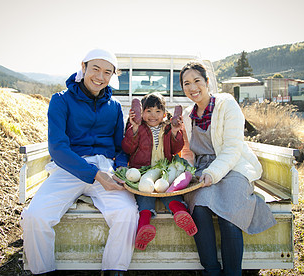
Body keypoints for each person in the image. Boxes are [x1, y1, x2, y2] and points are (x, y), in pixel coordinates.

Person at [20, 49, 139, 276]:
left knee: (126, 212)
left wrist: (121, 166)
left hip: (105, 168)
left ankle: (114, 270)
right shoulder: (60, 100)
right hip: (69, 168)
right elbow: (57, 148)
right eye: (95, 69)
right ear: (83, 67)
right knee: (35, 216)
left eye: (107, 72)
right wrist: (94, 174)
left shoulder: (114, 107)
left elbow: (118, 148)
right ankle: (43, 271)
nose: (100, 76)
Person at [179, 62, 277, 276]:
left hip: (232, 165)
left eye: (197, 81)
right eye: (186, 83)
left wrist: (212, 174)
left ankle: (233, 273)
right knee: (200, 207)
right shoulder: (188, 115)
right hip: (202, 170)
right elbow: (189, 152)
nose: (192, 87)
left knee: (229, 213)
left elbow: (233, 148)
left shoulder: (226, 104)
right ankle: (211, 270)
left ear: (207, 82)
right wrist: (187, 172)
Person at [121, 93, 197, 251]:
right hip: (143, 170)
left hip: (164, 169)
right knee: (144, 194)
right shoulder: (138, 127)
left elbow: (176, 149)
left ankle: (180, 212)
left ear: (164, 112)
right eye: (148, 111)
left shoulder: (168, 127)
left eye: (157, 111)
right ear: (141, 113)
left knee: (170, 191)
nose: (153, 115)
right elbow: (127, 148)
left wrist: (176, 132)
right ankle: (144, 224)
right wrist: (133, 128)